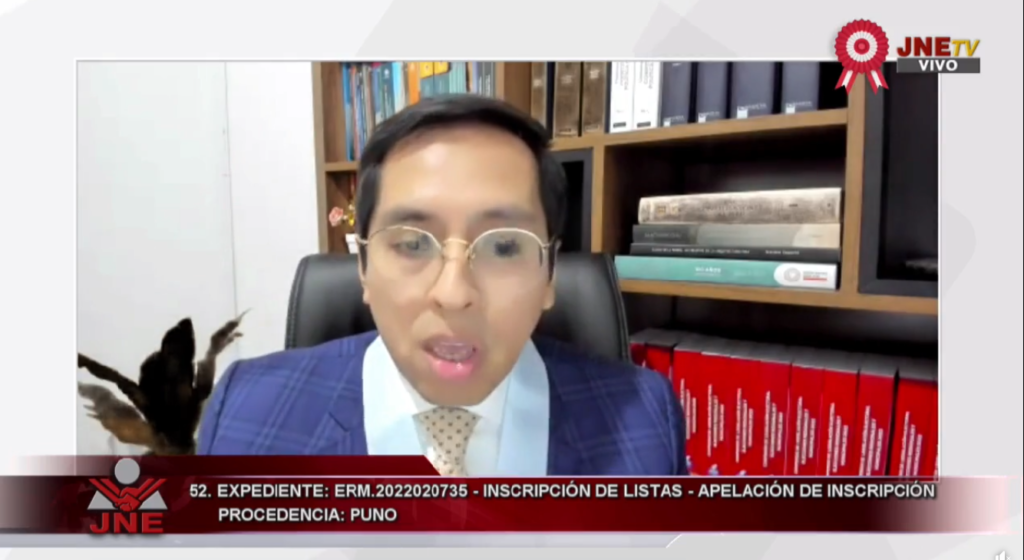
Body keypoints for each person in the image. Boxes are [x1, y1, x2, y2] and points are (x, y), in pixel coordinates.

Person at [197, 94, 687, 475]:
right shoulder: (245, 416)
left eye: (503, 247)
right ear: (363, 265)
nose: (453, 295)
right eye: (413, 243)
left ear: (550, 273)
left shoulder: (645, 419)